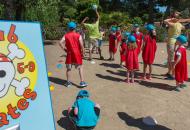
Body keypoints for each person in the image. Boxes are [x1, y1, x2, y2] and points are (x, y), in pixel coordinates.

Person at [59, 22, 88, 88]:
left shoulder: (66, 35)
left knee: (69, 69)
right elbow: (82, 45)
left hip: (69, 53)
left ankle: (68, 82)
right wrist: (83, 53)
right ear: (75, 28)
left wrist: (64, 49)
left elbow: (60, 43)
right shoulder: (78, 35)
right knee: (80, 67)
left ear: (68, 28)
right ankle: (82, 82)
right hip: (77, 53)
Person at [164, 11, 185, 80]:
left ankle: (172, 74)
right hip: (175, 42)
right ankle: (169, 72)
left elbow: (165, 21)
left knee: (171, 59)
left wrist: (172, 19)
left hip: (171, 42)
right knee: (170, 58)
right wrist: (177, 19)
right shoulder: (179, 25)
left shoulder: (173, 24)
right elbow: (184, 27)